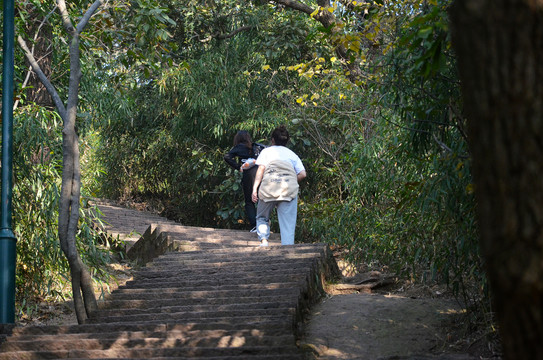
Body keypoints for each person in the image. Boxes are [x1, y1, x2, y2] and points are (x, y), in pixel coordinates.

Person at [251, 125, 307, 246]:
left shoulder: (266, 152)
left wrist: (255, 189)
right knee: (288, 224)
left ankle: (264, 241)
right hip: (288, 190)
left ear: (272, 140)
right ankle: (288, 249)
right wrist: (291, 180)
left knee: (262, 217)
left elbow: (261, 169)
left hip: (268, 189)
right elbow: (302, 174)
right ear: (287, 141)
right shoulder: (292, 155)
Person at [224, 130, 265, 232]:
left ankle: (255, 225)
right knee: (262, 199)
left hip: (249, 174)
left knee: (249, 201)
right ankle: (264, 224)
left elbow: (227, 157)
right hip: (261, 173)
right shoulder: (256, 147)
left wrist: (239, 167)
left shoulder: (239, 147)